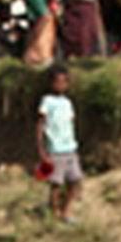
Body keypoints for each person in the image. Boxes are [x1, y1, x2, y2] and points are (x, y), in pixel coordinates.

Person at [36, 65, 81, 218]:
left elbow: (71, 124)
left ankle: (66, 211)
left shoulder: (68, 103)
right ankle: (53, 211)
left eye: (64, 82)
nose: (61, 85)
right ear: (51, 83)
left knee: (75, 180)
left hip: (70, 149)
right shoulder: (47, 101)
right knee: (56, 184)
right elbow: (40, 125)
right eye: (57, 82)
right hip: (55, 151)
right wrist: (42, 150)